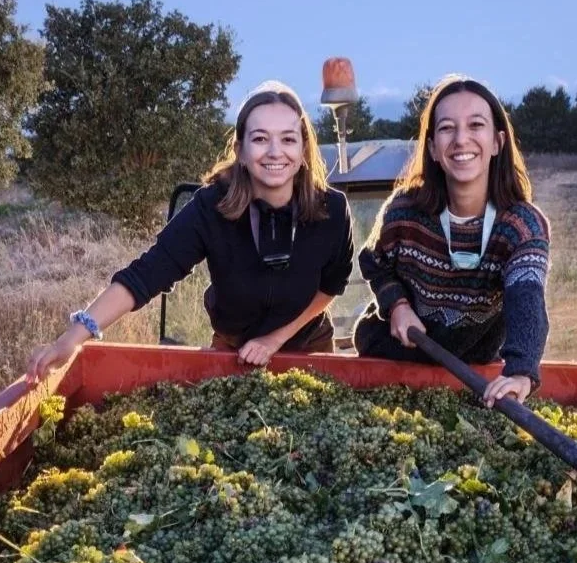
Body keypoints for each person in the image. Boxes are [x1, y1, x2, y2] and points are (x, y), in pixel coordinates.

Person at [25, 81, 354, 383]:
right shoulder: (211, 207)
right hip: (234, 351)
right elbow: (146, 274)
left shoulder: (333, 210)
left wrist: (274, 339)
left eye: (287, 138)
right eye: (259, 138)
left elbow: (331, 286)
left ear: (303, 149)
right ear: (240, 150)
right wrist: (71, 338)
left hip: (311, 348)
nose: (274, 152)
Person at [352, 74, 550, 406]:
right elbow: (375, 263)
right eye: (446, 128)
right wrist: (398, 305)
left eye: (475, 125)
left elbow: (527, 299)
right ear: (431, 147)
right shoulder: (403, 211)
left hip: (472, 370)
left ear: (498, 142)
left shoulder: (522, 226)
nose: (461, 139)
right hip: (392, 359)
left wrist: (520, 372)